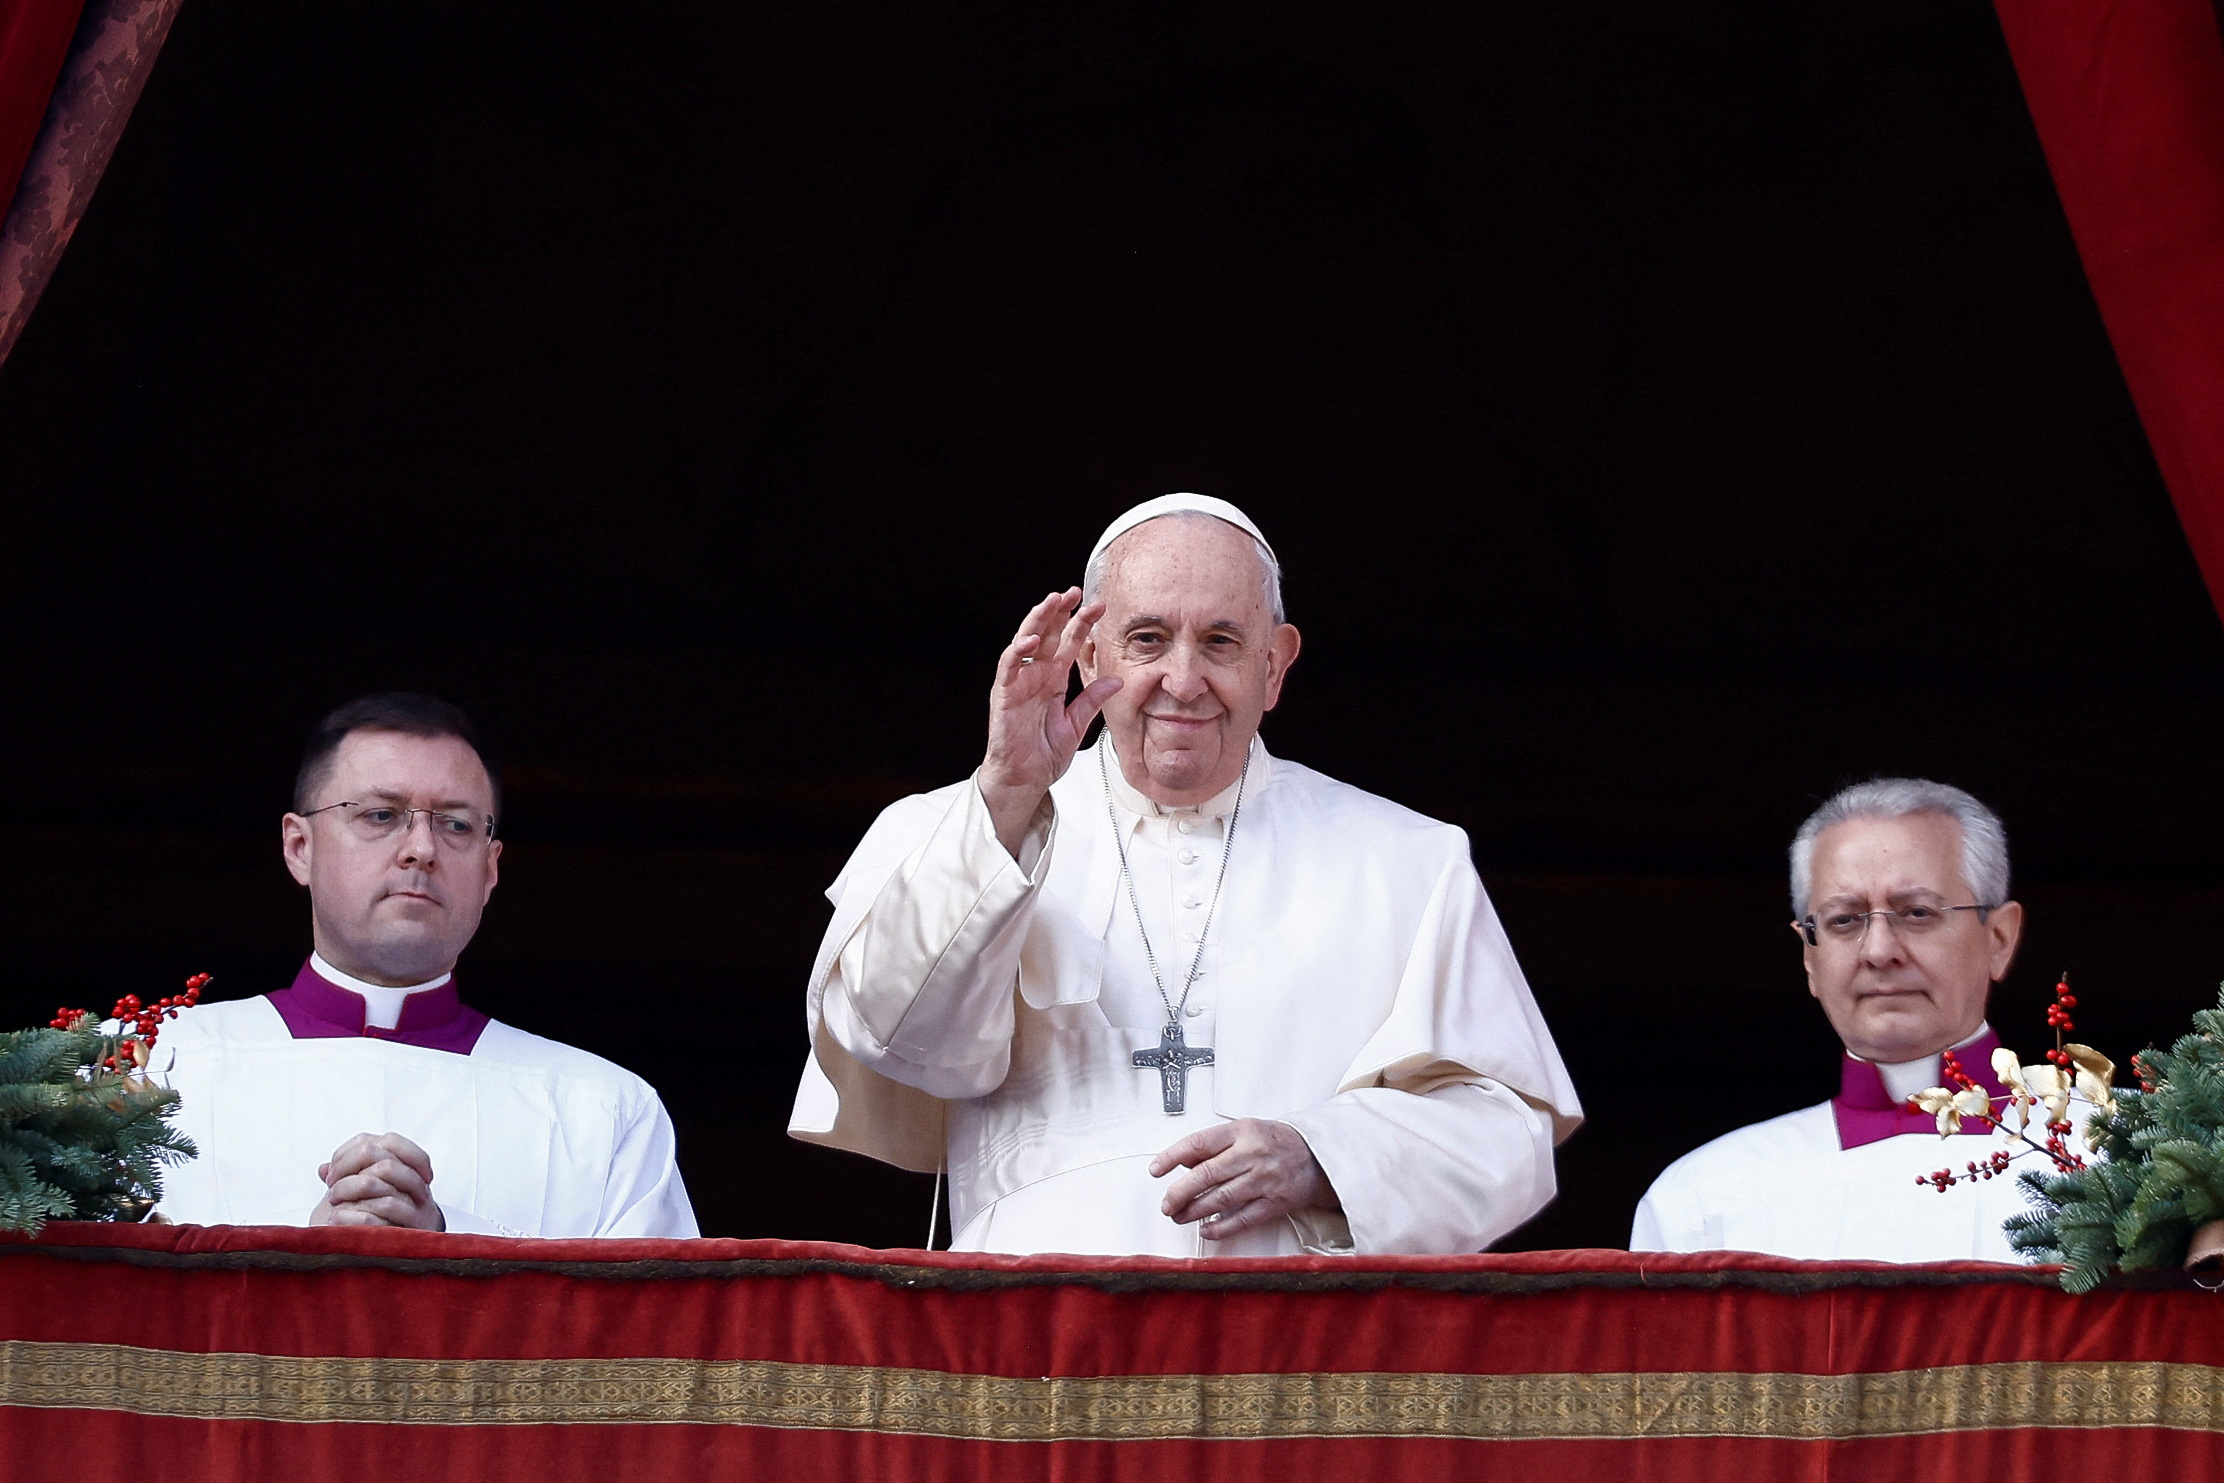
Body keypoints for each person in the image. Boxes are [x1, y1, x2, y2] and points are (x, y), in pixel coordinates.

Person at [788, 494, 1581, 1256]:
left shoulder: (1407, 859)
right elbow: (896, 1038)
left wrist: (1321, 1156)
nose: (1183, 678)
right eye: (1147, 638)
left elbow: (1503, 1133)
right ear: (1089, 653)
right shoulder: (948, 831)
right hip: (1038, 1361)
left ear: (1275, 665)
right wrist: (1005, 792)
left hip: (1296, 1367)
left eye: (1222, 642)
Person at [155, 693, 697, 1238]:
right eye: (381, 815)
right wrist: (301, 1242)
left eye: (456, 825)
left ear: (489, 870)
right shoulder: (147, 1070)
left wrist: (443, 1242)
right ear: (300, 847)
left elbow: (652, 1321)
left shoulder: (600, 1111)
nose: (421, 848)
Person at [1630, 778, 2033, 1261]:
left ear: (1999, 939)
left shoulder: (2122, 1156)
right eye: (1845, 920)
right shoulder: (1705, 1196)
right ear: (1808, 957)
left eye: (1918, 912)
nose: (1880, 951)